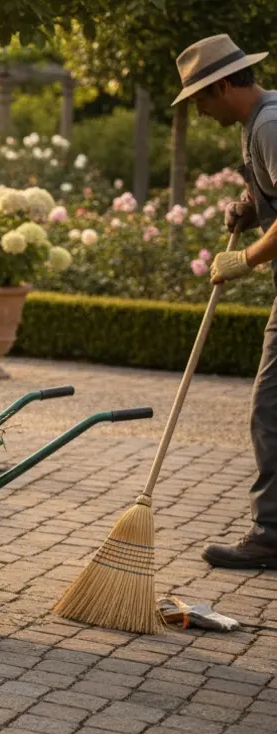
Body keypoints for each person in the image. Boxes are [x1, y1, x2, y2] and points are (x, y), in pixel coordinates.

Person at [175, 34, 277, 567]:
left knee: (270, 409)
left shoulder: (269, 124)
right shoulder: (259, 121)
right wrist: (248, 205)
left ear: (221, 86)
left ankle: (272, 534)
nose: (198, 108)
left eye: (199, 97)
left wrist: (245, 259)